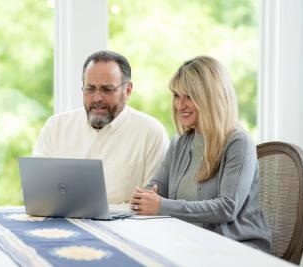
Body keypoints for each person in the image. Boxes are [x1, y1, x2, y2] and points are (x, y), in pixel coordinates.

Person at [130, 56, 272, 252]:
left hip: (236, 248)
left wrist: (161, 206)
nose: (180, 105)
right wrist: (144, 198)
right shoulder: (180, 142)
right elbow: (157, 187)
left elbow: (227, 208)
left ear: (211, 98)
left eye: (189, 96)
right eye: (176, 96)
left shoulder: (239, 143)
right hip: (191, 243)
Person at [33, 50, 169, 204]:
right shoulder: (56, 127)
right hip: (61, 224)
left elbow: (149, 205)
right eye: (90, 89)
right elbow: (38, 193)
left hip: (124, 227)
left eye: (107, 89)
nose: (97, 98)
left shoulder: (151, 133)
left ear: (128, 90)